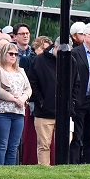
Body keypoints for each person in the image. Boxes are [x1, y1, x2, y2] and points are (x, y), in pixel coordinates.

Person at [0, 40, 31, 165]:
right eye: (10, 53)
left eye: (16, 54)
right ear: (3, 54)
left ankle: (10, 172)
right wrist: (13, 98)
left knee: (13, 146)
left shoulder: (20, 71)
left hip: (18, 112)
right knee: (1, 144)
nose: (13, 56)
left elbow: (28, 88)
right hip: (1, 112)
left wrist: (22, 98)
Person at [69, 22, 90, 163]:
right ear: (85, 36)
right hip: (79, 100)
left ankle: (88, 166)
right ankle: (74, 164)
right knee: (77, 137)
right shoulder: (75, 53)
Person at [28, 36, 58, 165]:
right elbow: (32, 83)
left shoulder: (70, 60)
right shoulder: (39, 61)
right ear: (56, 47)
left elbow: (76, 84)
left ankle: (62, 171)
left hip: (64, 112)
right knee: (44, 145)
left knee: (65, 143)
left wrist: (71, 103)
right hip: (44, 111)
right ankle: (44, 171)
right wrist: (41, 101)